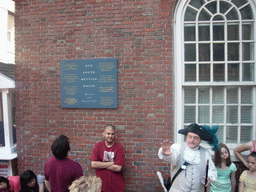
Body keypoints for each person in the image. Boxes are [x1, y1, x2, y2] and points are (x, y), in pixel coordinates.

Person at [158, 123, 218, 192]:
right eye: (190, 137)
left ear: (200, 140)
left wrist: (208, 177)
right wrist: (166, 154)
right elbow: (172, 157)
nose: (192, 140)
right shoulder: (178, 148)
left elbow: (212, 171)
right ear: (186, 137)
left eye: (195, 138)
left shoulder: (205, 153)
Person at [91, 124, 125, 192]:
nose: (110, 136)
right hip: (101, 186)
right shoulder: (98, 146)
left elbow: (118, 168)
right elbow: (93, 164)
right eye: (108, 133)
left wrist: (100, 164)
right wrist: (111, 163)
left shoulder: (119, 147)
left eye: (112, 134)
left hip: (116, 186)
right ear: (104, 133)